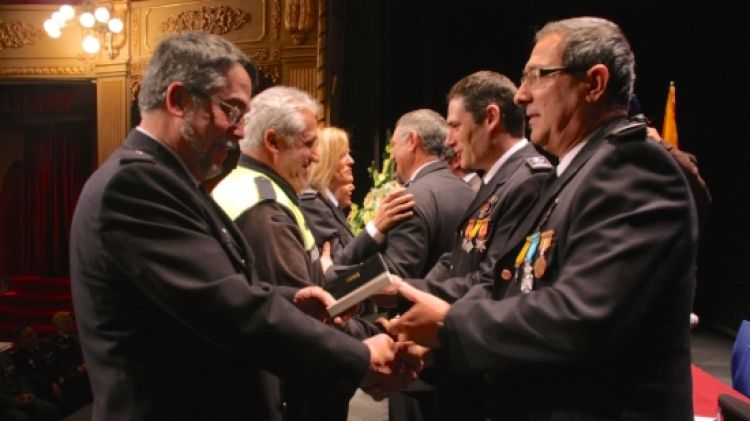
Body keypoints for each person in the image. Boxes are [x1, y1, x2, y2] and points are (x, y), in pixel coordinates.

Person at [69, 31, 398, 421]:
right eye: (232, 110)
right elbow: (229, 310)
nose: (242, 130)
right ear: (178, 100)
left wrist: (286, 298)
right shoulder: (136, 185)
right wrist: (358, 357)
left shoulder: (171, 179)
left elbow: (214, 289)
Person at [390, 17, 698, 420]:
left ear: (595, 83)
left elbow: (582, 316)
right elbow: (509, 280)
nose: (521, 95)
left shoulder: (633, 167)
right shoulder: (570, 172)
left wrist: (451, 324)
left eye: (537, 75)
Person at [211, 86, 420, 420]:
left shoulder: (251, 186)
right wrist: (375, 341)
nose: (317, 156)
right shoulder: (264, 208)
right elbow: (298, 322)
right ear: (273, 142)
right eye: (308, 143)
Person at [414, 70, 553, 301]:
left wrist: (407, 292)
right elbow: (456, 258)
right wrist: (408, 292)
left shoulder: (529, 181)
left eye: (455, 126)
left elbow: (492, 280)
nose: (449, 140)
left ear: (491, 118)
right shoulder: (497, 177)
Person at [300, 127, 415, 266]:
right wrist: (376, 226)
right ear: (326, 160)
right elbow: (337, 265)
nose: (351, 161)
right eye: (343, 155)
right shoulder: (311, 204)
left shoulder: (330, 205)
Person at [381, 109, 475, 279]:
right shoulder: (471, 193)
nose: (392, 156)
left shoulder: (408, 200)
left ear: (412, 141)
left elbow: (395, 283)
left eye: (393, 145)